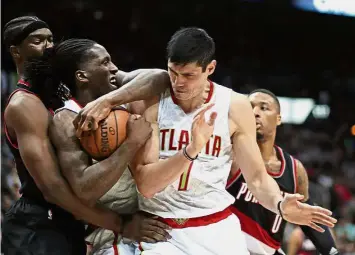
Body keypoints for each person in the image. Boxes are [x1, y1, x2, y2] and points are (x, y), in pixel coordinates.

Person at [75, 27, 337, 255]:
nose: (178, 82)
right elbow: (146, 185)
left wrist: (279, 204)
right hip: (162, 230)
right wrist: (191, 149)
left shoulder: (235, 105)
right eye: (172, 72)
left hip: (217, 227)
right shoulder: (150, 100)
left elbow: (257, 179)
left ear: (210, 68)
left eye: (188, 75)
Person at [2, 16, 170, 255]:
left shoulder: (70, 81)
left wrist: (109, 100)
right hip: (39, 224)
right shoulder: (25, 105)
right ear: (16, 52)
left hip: (74, 220)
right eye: (37, 41)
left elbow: (160, 78)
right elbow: (54, 189)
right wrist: (120, 224)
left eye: (50, 39)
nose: (47, 46)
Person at [226, 89, 339, 255]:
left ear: (278, 119)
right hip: (227, 247)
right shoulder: (229, 156)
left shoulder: (295, 169)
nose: (255, 113)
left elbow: (307, 218)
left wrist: (332, 251)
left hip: (268, 250)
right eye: (250, 108)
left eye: (264, 108)